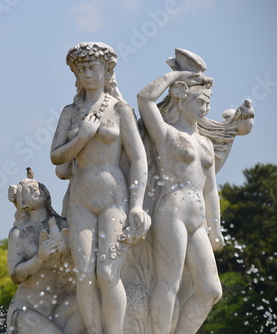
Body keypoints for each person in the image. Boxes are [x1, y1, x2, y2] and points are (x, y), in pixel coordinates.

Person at [50, 42, 150, 334]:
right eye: (82, 69)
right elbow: (56, 156)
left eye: (93, 68)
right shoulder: (70, 112)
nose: (88, 74)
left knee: (107, 273)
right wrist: (82, 137)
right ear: (75, 75)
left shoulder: (120, 110)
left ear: (107, 71)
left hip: (114, 199)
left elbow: (139, 158)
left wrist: (136, 204)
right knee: (84, 275)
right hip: (81, 199)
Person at [136, 69, 224, 333]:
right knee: (168, 283)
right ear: (182, 100)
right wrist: (176, 77)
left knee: (210, 289)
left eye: (208, 103)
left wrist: (215, 228)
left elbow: (211, 191)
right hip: (171, 212)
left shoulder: (206, 144)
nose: (205, 108)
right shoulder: (166, 135)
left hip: (197, 220)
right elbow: (144, 99)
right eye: (200, 102)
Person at [6, 178, 84, 334]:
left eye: (40, 186)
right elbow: (15, 276)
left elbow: (83, 262)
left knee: (94, 305)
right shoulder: (19, 233)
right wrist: (39, 259)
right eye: (30, 189)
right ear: (23, 202)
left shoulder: (66, 225)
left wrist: (66, 257)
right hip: (29, 310)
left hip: (64, 303)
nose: (37, 189)